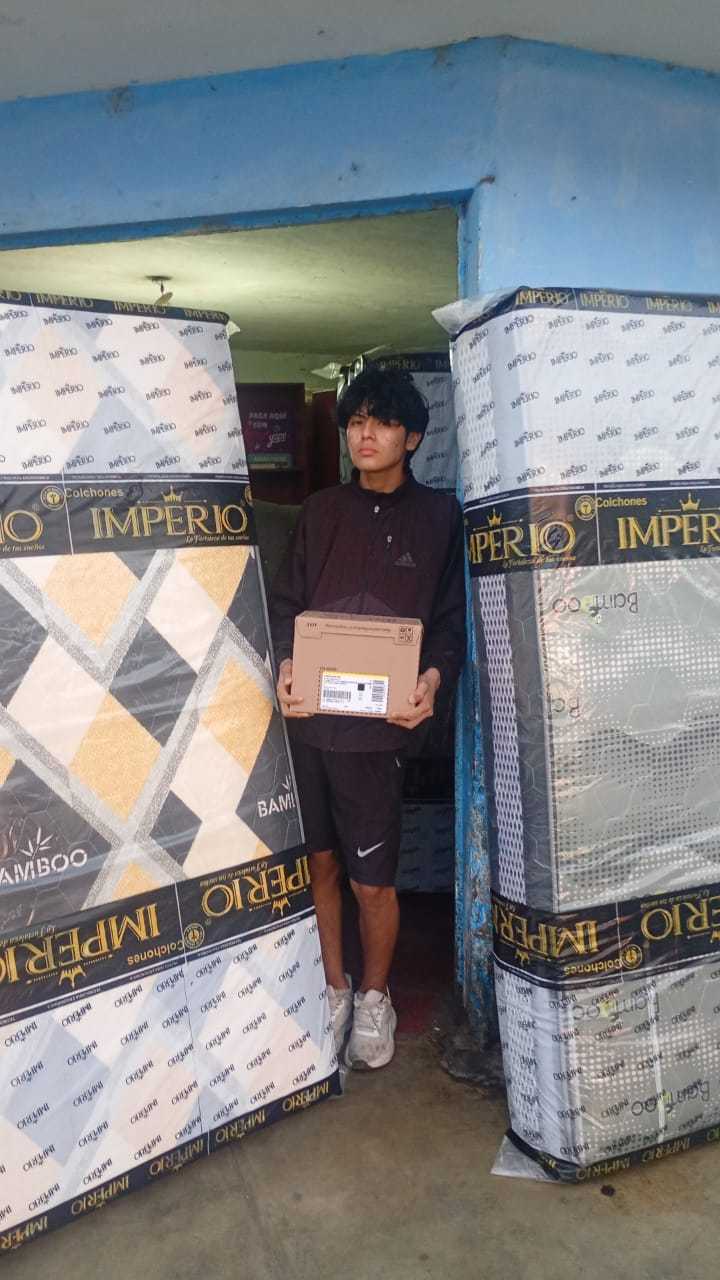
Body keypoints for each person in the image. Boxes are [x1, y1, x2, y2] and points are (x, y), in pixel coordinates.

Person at [269, 367, 465, 1071]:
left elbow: (449, 623)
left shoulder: (439, 517)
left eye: (382, 423)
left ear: (412, 437)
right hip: (311, 722)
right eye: (356, 422)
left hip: (379, 733)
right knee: (320, 864)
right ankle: (334, 988)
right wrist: (286, 665)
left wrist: (433, 679)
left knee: (371, 881)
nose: (365, 435)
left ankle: (376, 995)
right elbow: (287, 604)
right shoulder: (321, 510)